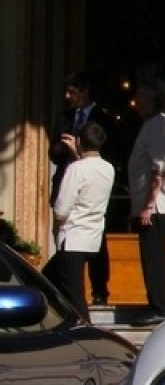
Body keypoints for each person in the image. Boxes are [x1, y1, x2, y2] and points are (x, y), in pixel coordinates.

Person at [52, 72, 113, 305]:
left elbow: (106, 151)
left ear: (85, 91)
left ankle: (99, 291)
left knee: (95, 247)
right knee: (61, 268)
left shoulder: (102, 119)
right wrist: (63, 148)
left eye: (73, 92)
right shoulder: (65, 117)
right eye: (66, 92)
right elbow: (53, 152)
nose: (68, 97)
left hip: (91, 191)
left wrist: (78, 158)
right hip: (68, 186)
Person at [44, 122, 114, 323]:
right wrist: (78, 153)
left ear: (80, 141)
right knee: (46, 278)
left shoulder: (76, 169)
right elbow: (87, 172)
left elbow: (61, 209)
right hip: (92, 238)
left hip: (72, 237)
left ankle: (86, 333)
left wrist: (57, 224)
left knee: (75, 298)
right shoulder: (107, 168)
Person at [127, 77, 165, 326]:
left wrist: (149, 204)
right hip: (149, 203)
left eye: (140, 96)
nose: (136, 101)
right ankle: (156, 304)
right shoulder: (152, 124)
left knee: (153, 255)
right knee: (151, 255)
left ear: (153, 99)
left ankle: (161, 306)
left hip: (155, 206)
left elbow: (158, 168)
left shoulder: (159, 125)